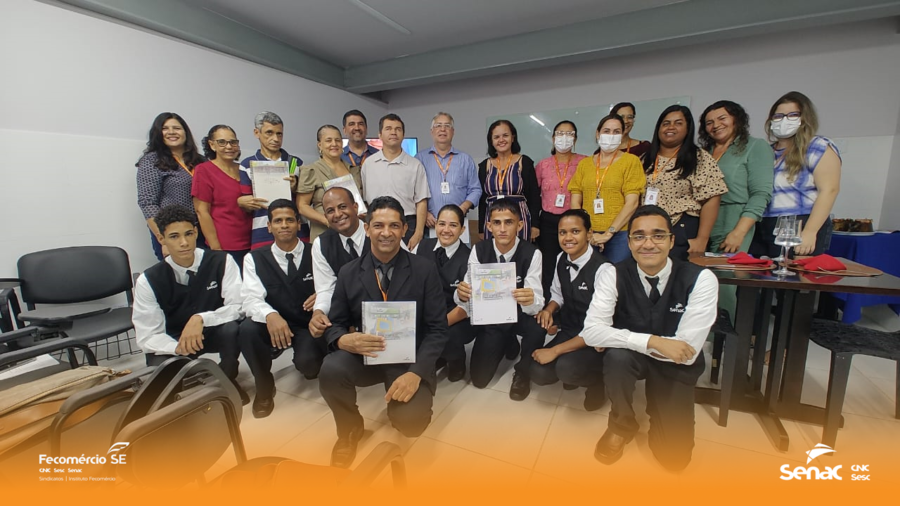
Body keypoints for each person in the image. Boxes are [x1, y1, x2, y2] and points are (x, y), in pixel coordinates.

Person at [582, 205, 718, 471]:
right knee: (617, 357)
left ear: (671, 240)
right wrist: (654, 341)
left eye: (657, 235)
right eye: (639, 236)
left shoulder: (700, 279)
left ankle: (662, 408)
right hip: (633, 357)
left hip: (677, 366)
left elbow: (685, 352)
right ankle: (621, 423)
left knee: (675, 459)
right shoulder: (613, 272)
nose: (648, 244)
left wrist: (616, 336)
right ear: (630, 242)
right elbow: (591, 332)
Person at [319, 196, 448, 468]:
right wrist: (343, 339)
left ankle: (404, 401)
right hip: (366, 354)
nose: (386, 233)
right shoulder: (348, 272)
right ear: (367, 229)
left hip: (408, 359)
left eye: (394, 226)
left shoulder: (424, 270)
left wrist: (416, 373)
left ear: (404, 229)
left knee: (411, 423)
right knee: (331, 368)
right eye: (378, 225)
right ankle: (349, 430)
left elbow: (438, 329)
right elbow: (335, 324)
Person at [132, 204, 248, 404]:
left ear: (196, 233)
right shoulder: (148, 279)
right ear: (162, 239)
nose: (184, 242)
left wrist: (201, 318)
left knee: (234, 329)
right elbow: (147, 336)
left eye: (188, 234)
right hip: (175, 338)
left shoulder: (221, 261)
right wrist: (178, 347)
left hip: (212, 329)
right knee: (161, 374)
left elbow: (238, 306)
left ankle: (227, 378)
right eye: (174, 237)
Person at [239, 199, 322, 419]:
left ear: (298, 223)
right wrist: (271, 314)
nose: (284, 225)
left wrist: (322, 295)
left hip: (306, 324)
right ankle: (264, 386)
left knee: (310, 368)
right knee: (247, 329)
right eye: (278, 221)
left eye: (289, 220)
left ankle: (303, 358)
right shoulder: (254, 258)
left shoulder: (317, 252)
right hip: (273, 324)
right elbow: (250, 298)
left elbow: (334, 285)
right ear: (269, 226)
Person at [455, 199, 545, 401]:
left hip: (520, 314)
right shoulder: (479, 250)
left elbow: (537, 302)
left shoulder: (532, 253)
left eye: (509, 222)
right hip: (493, 319)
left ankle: (523, 372)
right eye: (497, 223)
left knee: (538, 327)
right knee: (479, 380)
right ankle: (507, 340)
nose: (502, 229)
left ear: (520, 225)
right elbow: (466, 293)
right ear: (488, 226)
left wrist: (530, 299)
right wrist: (461, 294)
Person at [531, 209, 609, 411]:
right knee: (539, 373)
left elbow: (599, 327)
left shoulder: (604, 270)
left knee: (565, 368)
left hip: (596, 337)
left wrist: (554, 351)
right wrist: (548, 310)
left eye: (575, 231)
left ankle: (598, 381)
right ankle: (573, 365)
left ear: (589, 234)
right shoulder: (560, 259)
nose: (568, 238)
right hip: (570, 328)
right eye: (562, 232)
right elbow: (557, 294)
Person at [751, 91, 841, 257]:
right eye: (778, 116)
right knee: (760, 278)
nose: (784, 120)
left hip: (800, 222)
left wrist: (810, 232)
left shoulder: (818, 146)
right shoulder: (766, 151)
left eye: (792, 115)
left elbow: (829, 190)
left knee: (793, 277)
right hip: (764, 223)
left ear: (804, 118)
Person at [642, 105, 728, 260]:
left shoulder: (699, 158)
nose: (671, 127)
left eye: (678, 123)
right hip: (647, 228)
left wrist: (702, 239)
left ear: (688, 129)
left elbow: (712, 198)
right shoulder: (644, 159)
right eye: (666, 123)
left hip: (681, 227)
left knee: (678, 279)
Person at [698, 101, 774, 254]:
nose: (716, 125)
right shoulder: (702, 152)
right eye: (709, 122)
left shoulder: (755, 146)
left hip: (733, 220)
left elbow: (761, 194)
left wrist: (739, 232)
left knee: (726, 274)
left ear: (736, 119)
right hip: (700, 222)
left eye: (722, 118)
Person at [569, 114, 646, 263]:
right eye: (606, 131)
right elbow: (575, 199)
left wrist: (608, 233)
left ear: (623, 134)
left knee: (614, 279)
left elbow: (632, 203)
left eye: (616, 132)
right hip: (588, 234)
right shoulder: (585, 164)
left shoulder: (631, 161)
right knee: (588, 280)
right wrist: (586, 231)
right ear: (597, 134)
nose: (611, 136)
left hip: (619, 235)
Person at [413, 205, 472, 382]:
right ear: (435, 225)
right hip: (429, 310)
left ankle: (456, 359)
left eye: (453, 225)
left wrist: (437, 325)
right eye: (441, 224)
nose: (446, 230)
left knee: (447, 334)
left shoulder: (470, 257)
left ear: (462, 230)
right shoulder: (422, 246)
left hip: (458, 315)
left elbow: (466, 306)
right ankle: (437, 357)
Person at [136, 112, 206, 260]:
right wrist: (164, 239)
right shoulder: (151, 161)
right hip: (172, 232)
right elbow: (147, 203)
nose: (172, 132)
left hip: (203, 230)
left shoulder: (201, 161)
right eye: (165, 128)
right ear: (158, 133)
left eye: (177, 128)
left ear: (185, 132)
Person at [361, 114, 430, 250]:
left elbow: (421, 201)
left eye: (398, 129)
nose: (393, 132)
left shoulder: (415, 165)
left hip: (406, 224)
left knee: (407, 267)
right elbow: (365, 198)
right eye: (388, 128)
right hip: (377, 223)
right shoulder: (368, 164)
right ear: (380, 134)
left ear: (403, 135)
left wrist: (418, 232)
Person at [238, 112, 305, 251]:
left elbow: (305, 201)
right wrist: (244, 202)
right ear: (257, 133)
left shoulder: (295, 162)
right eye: (269, 133)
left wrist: (295, 188)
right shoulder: (247, 164)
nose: (275, 138)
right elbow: (246, 202)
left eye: (279, 134)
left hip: (295, 229)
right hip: (263, 230)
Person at [534, 120, 587, 295]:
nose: (564, 138)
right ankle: (549, 303)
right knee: (549, 263)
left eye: (569, 134)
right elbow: (534, 195)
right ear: (553, 138)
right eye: (560, 134)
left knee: (575, 260)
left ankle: (576, 299)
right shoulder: (543, 164)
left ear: (575, 139)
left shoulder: (585, 162)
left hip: (575, 220)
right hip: (549, 221)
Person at [309, 187, 368, 339]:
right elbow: (326, 289)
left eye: (342, 207)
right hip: (345, 317)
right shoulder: (321, 244)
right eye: (330, 211)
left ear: (355, 207)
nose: (338, 214)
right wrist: (318, 312)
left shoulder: (379, 231)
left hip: (384, 311)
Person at [193, 124, 252, 268]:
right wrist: (216, 248)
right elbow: (202, 211)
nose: (229, 146)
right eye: (222, 142)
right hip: (225, 245)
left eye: (233, 142)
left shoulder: (245, 169)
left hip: (253, 241)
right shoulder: (204, 170)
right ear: (212, 145)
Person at [415, 112, 481, 237]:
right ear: (432, 131)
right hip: (430, 223)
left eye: (447, 125)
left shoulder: (465, 159)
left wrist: (462, 208)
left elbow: (476, 189)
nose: (443, 129)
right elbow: (413, 191)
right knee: (429, 256)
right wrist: (425, 214)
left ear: (453, 131)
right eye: (438, 125)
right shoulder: (419, 159)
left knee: (460, 256)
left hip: (457, 224)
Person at [478, 120, 541, 243]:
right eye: (496, 137)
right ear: (491, 141)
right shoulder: (485, 165)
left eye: (505, 135)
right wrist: (481, 227)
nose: (501, 140)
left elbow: (534, 197)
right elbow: (482, 199)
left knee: (521, 256)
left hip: (519, 219)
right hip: (492, 220)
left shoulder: (525, 162)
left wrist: (535, 225)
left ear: (513, 137)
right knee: (494, 257)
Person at [297, 124, 363, 242]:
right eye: (328, 140)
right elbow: (302, 206)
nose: (334, 144)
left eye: (337, 140)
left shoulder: (354, 170)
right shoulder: (311, 170)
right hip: (324, 233)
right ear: (320, 145)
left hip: (355, 233)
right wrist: (327, 221)